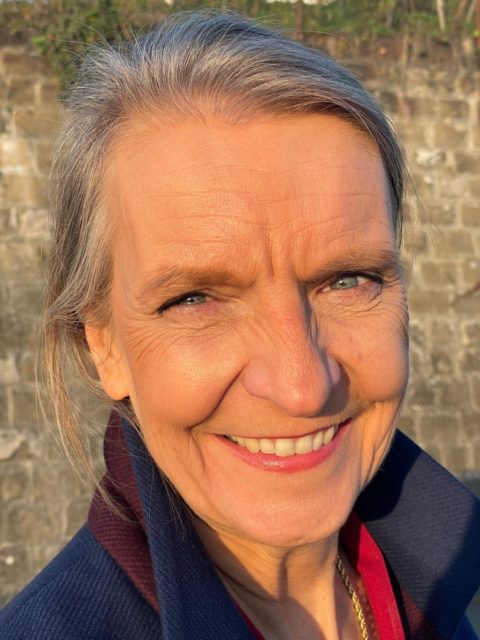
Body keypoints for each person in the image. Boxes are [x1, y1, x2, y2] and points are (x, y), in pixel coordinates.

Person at [1, 10, 479, 640]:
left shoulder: (437, 583)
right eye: (195, 299)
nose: (302, 387)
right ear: (103, 343)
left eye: (348, 279)